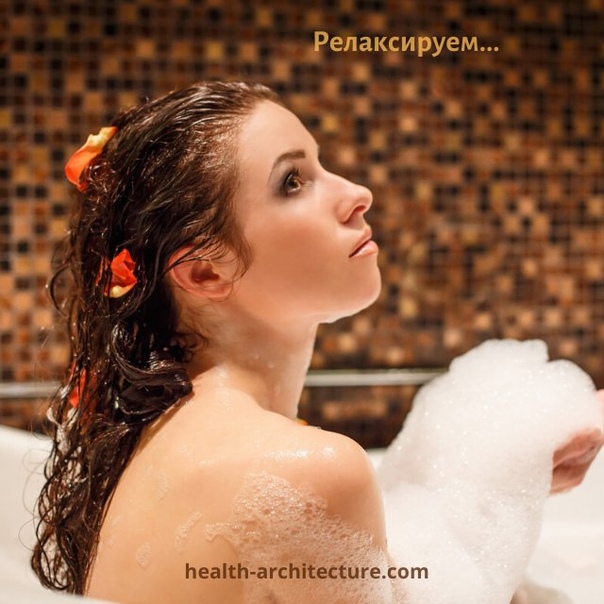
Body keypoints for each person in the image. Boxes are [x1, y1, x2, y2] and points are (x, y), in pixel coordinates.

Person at [31, 81, 604, 603]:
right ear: (204, 272)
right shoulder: (305, 475)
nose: (358, 193)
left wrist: (504, 486)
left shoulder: (152, 444)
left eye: (320, 166)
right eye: (292, 182)